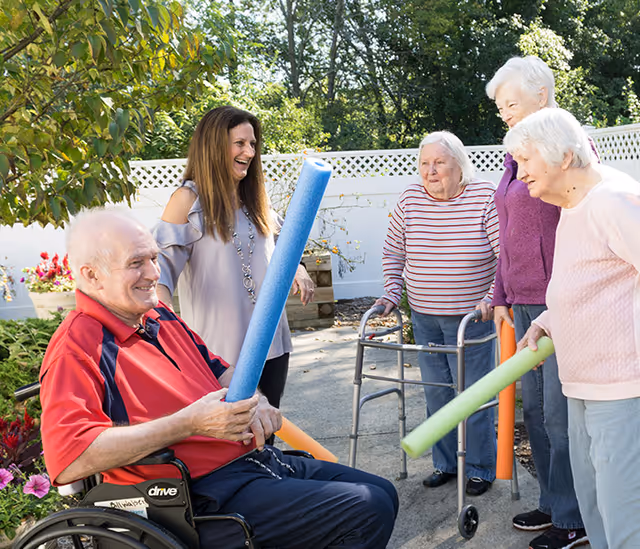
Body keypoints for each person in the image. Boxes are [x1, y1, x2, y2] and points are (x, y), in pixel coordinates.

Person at [38, 209, 398, 549]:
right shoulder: (77, 346)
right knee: (365, 508)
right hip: (191, 499)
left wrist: (256, 402)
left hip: (247, 464)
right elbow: (71, 459)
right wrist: (188, 423)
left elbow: (218, 368)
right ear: (90, 275)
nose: (153, 273)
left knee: (383, 492)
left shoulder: (157, 314)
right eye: (136, 263)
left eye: (152, 258)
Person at [507, 107, 640, 549]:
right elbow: (584, 281)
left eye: (526, 160)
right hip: (580, 383)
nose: (519, 172)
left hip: (621, 389)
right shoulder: (572, 204)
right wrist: (548, 320)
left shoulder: (612, 199)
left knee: (626, 520)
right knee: (597, 511)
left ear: (563, 158)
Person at [485, 56, 587, 549]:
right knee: (535, 414)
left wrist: (557, 301)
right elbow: (508, 233)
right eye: (500, 105)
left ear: (541, 95)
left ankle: (574, 520)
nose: (503, 111)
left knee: (559, 418)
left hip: (557, 304)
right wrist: (501, 293)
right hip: (522, 300)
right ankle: (553, 503)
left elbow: (577, 225)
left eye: (510, 102)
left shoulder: (565, 147)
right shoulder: (516, 155)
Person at [153, 106, 315, 415]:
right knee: (232, 442)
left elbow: (281, 247)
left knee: (266, 434)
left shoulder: (256, 199)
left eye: (253, 144)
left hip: (272, 345)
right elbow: (158, 273)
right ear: (214, 147)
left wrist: (299, 267)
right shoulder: (187, 201)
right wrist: (166, 331)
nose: (250, 152)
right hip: (220, 353)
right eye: (239, 143)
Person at [375, 131, 499, 496]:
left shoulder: (483, 197)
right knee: (437, 393)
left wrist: (492, 296)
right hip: (425, 315)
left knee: (473, 394)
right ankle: (445, 463)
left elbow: (504, 254)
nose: (430, 171)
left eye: (439, 163)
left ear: (459, 165)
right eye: (425, 163)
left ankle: (479, 468)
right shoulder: (411, 198)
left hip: (471, 319)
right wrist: (391, 292)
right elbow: (393, 253)